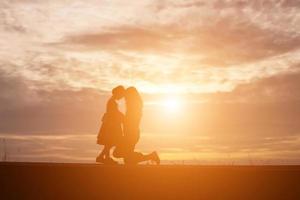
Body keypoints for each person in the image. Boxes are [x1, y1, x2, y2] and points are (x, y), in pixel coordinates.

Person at [114, 87, 160, 165]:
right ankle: (151, 156)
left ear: (131, 96)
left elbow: (130, 122)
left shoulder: (134, 108)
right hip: (131, 134)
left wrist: (120, 117)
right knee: (128, 159)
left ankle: (150, 156)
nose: (125, 98)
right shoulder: (134, 107)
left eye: (127, 95)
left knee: (118, 153)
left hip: (131, 134)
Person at [96, 85, 125, 164]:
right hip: (111, 125)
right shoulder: (112, 101)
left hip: (111, 124)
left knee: (109, 142)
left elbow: (115, 113)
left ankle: (104, 157)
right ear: (118, 93)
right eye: (121, 95)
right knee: (110, 141)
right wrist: (123, 117)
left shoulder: (112, 101)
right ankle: (103, 157)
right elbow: (114, 113)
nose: (122, 97)